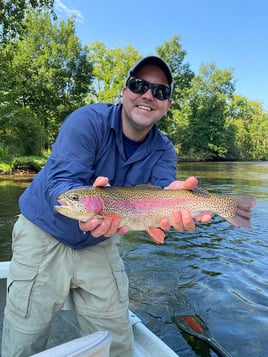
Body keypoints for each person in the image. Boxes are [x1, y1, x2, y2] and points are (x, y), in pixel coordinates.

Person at [1, 56, 211, 357]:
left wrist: (177, 205)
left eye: (160, 91)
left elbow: (162, 195)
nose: (148, 95)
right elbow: (60, 181)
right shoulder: (87, 121)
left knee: (117, 342)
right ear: (125, 91)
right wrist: (76, 197)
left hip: (100, 241)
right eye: (139, 85)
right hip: (43, 233)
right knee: (24, 338)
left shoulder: (164, 150)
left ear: (168, 104)